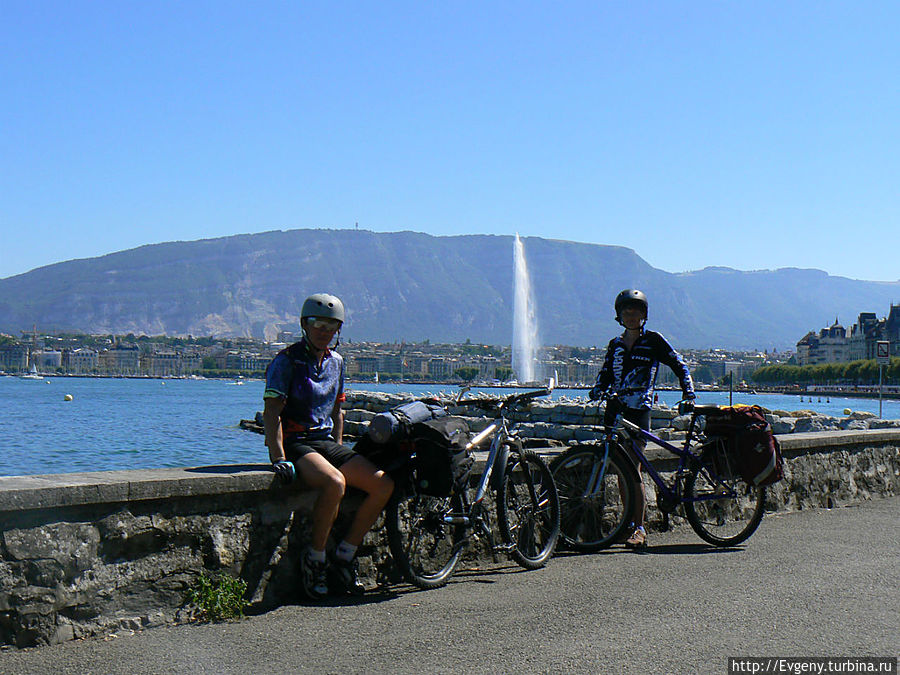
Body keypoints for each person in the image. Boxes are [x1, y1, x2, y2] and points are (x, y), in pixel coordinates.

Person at [263, 293, 394, 599]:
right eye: (317, 323)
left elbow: (337, 410)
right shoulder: (286, 362)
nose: (323, 330)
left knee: (383, 484)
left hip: (324, 442)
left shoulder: (336, 362)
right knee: (335, 483)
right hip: (297, 442)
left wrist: (338, 448)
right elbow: (272, 414)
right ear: (304, 325)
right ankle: (316, 558)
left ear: (338, 330)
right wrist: (278, 457)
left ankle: (346, 554)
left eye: (331, 325)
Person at [589, 289, 695, 549]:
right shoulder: (615, 345)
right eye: (627, 311)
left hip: (639, 410)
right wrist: (597, 389)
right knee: (621, 470)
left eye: (636, 311)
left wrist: (688, 393)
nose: (631, 315)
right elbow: (605, 375)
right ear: (619, 315)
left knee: (633, 467)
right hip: (615, 411)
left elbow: (679, 365)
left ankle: (639, 527)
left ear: (644, 315)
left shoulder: (654, 341)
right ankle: (627, 522)